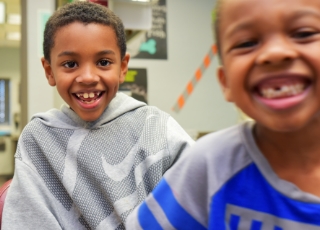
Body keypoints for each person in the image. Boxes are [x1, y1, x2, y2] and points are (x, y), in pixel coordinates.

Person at [125, 0, 320, 229]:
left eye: (304, 33)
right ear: (225, 82)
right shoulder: (209, 164)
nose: (275, 53)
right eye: (247, 43)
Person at [1, 2, 194, 230]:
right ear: (49, 71)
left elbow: (200, 200)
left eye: (103, 62)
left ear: (122, 67)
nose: (88, 77)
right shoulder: (39, 139)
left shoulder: (157, 127)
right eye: (70, 64)